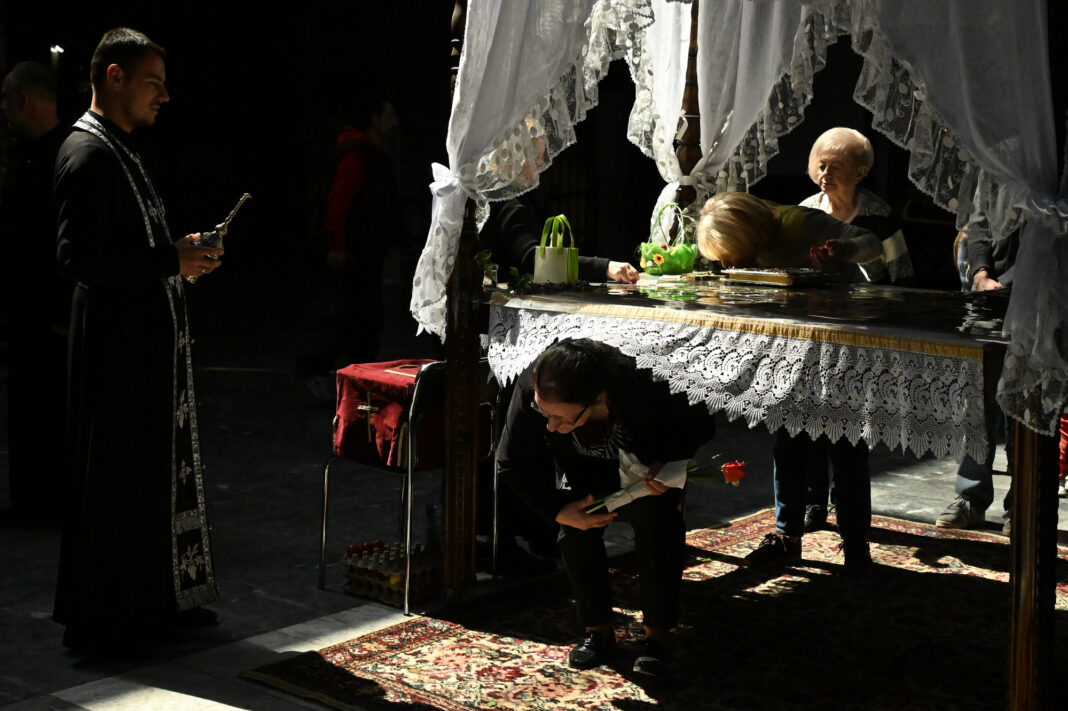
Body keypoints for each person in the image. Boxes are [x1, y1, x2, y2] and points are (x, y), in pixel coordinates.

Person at [52, 28, 223, 655]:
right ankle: (109, 621)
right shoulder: (87, 153)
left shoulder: (119, 148)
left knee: (146, 480)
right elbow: (81, 260)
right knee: (117, 484)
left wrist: (181, 254)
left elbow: (136, 245)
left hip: (141, 353)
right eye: (153, 84)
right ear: (114, 77)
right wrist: (169, 261)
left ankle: (155, 603)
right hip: (115, 356)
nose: (164, 97)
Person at [496, 338, 715, 676]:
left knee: (657, 520)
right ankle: (596, 629)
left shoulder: (645, 382)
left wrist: (665, 460)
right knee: (575, 527)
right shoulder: (534, 386)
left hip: (643, 467)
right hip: (581, 471)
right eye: (544, 413)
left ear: (600, 398)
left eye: (561, 417)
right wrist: (559, 512)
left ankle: (657, 635)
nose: (550, 426)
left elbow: (700, 422)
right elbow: (509, 462)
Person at [696, 191, 881, 572]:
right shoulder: (744, 240)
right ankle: (786, 537)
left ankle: (855, 543)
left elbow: (873, 243)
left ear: (749, 235)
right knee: (790, 441)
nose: (727, 264)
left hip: (839, 341)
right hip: (791, 346)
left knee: (847, 444)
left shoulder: (800, 223)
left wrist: (843, 250)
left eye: (729, 255)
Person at [797, 127, 913, 531]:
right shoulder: (806, 210)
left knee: (849, 430)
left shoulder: (878, 214)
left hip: (860, 334)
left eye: (835, 167)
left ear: (861, 172)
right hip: (813, 330)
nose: (825, 174)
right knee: (808, 422)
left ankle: (851, 518)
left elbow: (900, 274)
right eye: (820, 165)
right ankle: (813, 502)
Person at [0, 62, 70, 524]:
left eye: (8, 100)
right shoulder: (45, 155)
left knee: (43, 405)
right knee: (30, 404)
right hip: (32, 310)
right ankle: (35, 498)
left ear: (24, 100)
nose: (4, 110)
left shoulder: (58, 159)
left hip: (47, 311)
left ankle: (44, 499)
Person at [936, 225, 1018, 533]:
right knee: (978, 398)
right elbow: (980, 223)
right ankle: (971, 497)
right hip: (987, 295)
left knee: (1023, 401)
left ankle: (1023, 501)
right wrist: (981, 273)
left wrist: (1011, 283)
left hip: (1037, 292)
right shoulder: (993, 187)